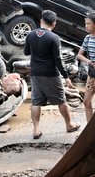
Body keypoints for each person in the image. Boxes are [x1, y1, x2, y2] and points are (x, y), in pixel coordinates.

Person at [24, 10, 81, 139]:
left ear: (41, 21)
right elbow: (58, 59)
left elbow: (27, 52)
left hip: (35, 73)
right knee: (61, 100)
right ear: (54, 23)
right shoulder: (54, 38)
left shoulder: (30, 35)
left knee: (36, 101)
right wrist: (66, 77)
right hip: (50, 73)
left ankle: (36, 130)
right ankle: (69, 125)